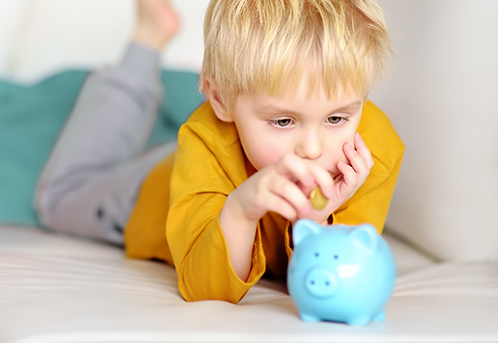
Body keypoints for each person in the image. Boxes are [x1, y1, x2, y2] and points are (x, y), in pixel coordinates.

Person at [36, 0, 404, 304]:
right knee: (58, 199)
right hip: (152, 188)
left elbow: (337, 284)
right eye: (283, 122)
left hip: (220, 149)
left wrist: (314, 222)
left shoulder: (370, 152)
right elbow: (205, 289)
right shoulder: (205, 141)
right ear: (219, 99)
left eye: (337, 117)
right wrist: (242, 209)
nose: (312, 148)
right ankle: (148, 38)